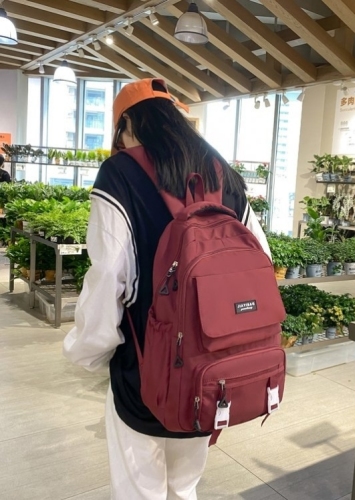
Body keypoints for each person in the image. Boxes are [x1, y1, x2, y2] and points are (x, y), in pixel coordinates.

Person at [63, 79, 270, 500]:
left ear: (126, 125)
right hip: (212, 368)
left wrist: (88, 348)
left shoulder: (120, 172)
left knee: (140, 489)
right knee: (184, 484)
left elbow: (109, 273)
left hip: (143, 366)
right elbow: (261, 260)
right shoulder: (222, 173)